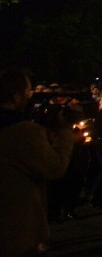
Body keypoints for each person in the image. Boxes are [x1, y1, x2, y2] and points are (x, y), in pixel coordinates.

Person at [0, 69, 75, 256]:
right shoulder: (22, 131)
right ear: (16, 96)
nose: (30, 97)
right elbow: (54, 167)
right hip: (15, 225)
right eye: (28, 91)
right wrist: (65, 133)